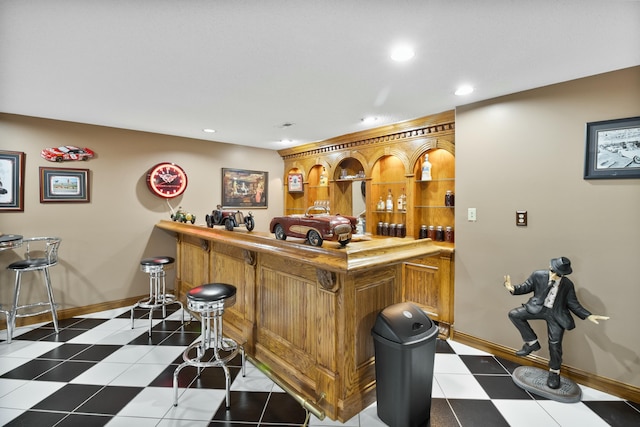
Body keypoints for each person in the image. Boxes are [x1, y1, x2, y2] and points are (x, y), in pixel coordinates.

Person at [504, 256, 609, 389]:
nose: (554, 275)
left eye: (559, 274)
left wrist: (588, 315)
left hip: (556, 314)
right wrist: (512, 288)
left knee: (555, 345)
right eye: (553, 271)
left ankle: (554, 372)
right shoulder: (538, 275)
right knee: (514, 314)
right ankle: (532, 343)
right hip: (538, 308)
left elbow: (573, 304)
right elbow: (526, 287)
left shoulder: (567, 284)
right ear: (550, 267)